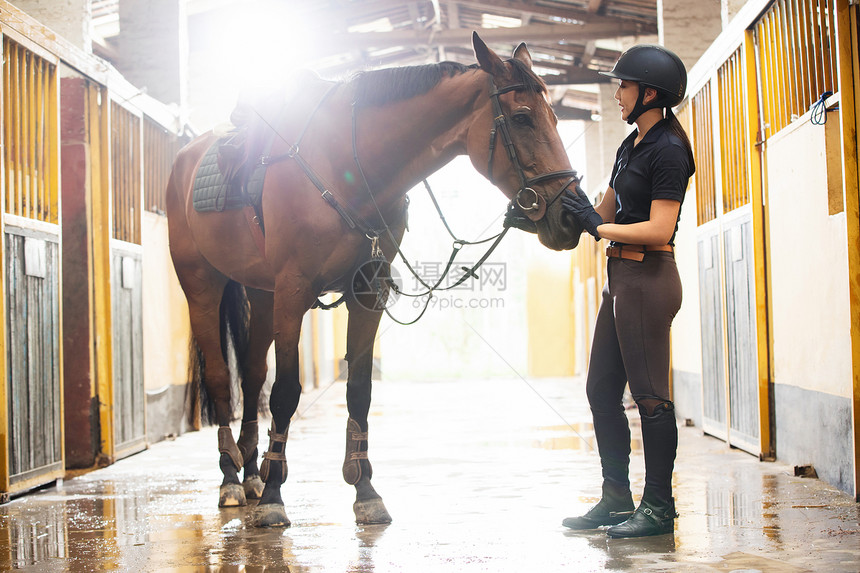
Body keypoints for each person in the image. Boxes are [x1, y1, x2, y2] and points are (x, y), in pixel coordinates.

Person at [560, 44, 695, 538]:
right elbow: (607, 208)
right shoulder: (630, 146)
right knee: (600, 390)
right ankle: (616, 496)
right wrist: (572, 206)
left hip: (648, 278)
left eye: (624, 85)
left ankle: (659, 505)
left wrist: (601, 229)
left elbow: (660, 228)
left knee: (651, 398)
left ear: (649, 93)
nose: (617, 93)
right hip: (621, 280)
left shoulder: (670, 151)